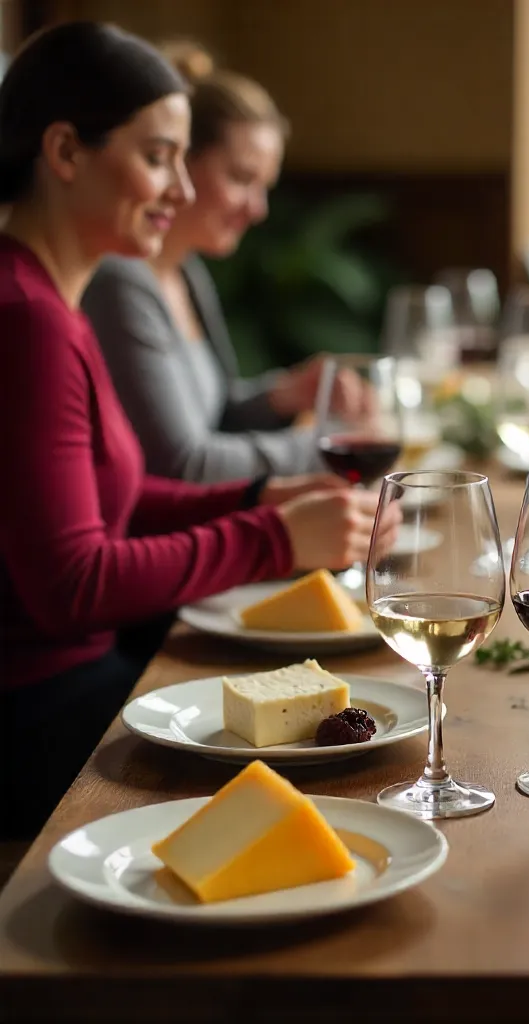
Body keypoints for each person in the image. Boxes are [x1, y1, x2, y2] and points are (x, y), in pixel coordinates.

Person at [0, 23, 397, 838]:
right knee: (353, 777)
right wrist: (272, 538)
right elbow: (72, 584)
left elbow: (110, 498)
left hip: (74, 683)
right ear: (65, 151)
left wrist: (255, 495)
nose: (181, 191)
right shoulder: (27, 318)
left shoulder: (49, 300)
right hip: (36, 717)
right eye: (158, 158)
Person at [81, 42, 352, 483]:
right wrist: (330, 447)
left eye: (265, 187)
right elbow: (184, 464)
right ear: (180, 161)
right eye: (241, 178)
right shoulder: (120, 282)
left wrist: (284, 395)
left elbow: (217, 415)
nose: (258, 209)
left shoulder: (186, 270)